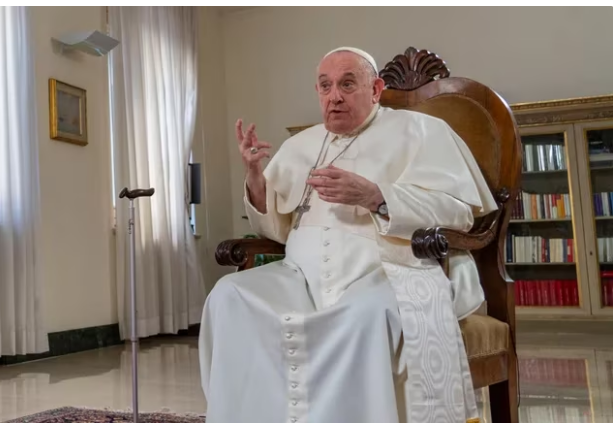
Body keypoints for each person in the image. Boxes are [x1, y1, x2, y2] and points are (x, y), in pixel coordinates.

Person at [199, 46, 497, 423]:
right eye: (325, 86)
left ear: (376, 88)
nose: (333, 95)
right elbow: (275, 228)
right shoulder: (300, 145)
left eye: (347, 84)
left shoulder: (421, 132)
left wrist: (377, 197)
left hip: (388, 267)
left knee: (365, 315)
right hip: (301, 276)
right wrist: (257, 179)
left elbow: (459, 214)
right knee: (229, 294)